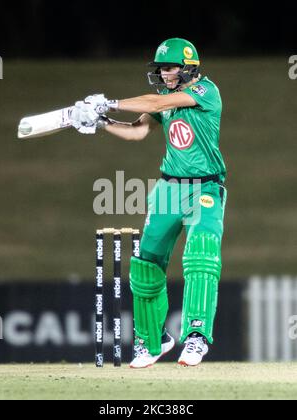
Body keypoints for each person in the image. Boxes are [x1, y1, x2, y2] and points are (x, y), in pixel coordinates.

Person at [71, 38, 227, 368]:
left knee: (200, 255)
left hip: (206, 187)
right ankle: (151, 341)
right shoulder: (166, 99)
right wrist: (102, 122)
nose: (164, 74)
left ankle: (196, 336)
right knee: (145, 264)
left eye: (169, 68)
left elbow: (155, 105)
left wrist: (108, 103)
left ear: (188, 68)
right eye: (161, 68)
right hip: (168, 188)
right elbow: (138, 132)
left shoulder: (205, 92)